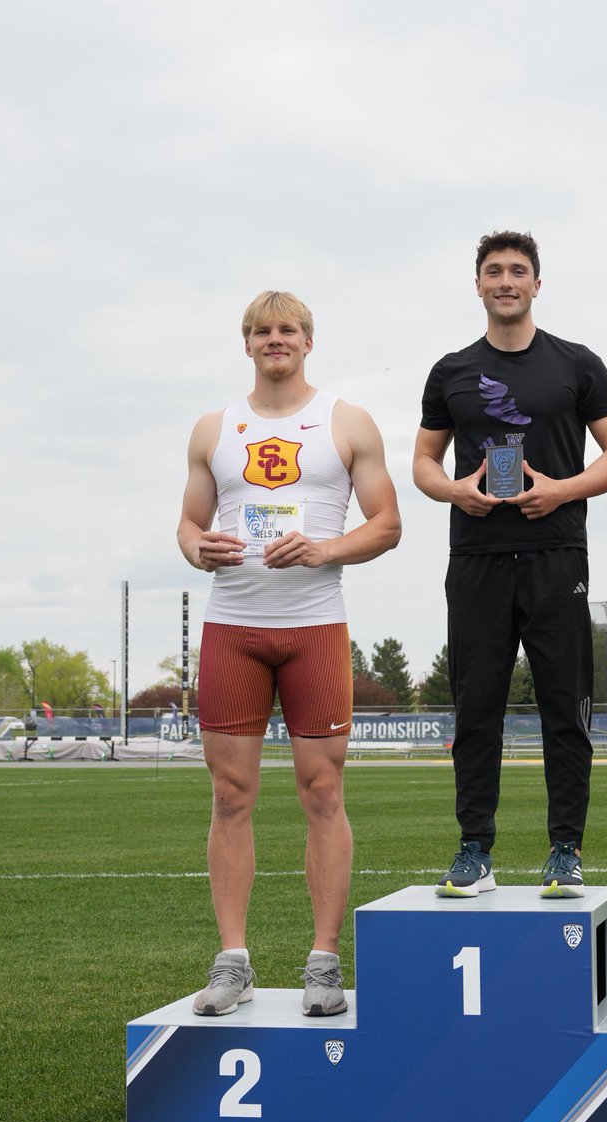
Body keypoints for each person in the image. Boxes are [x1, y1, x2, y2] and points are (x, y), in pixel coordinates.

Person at [178, 290, 401, 1017]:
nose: (276, 340)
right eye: (262, 331)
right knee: (231, 795)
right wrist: (196, 547)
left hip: (314, 627)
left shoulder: (347, 421)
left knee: (322, 792)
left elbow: (388, 524)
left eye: (289, 330)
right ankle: (233, 961)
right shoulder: (215, 427)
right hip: (232, 628)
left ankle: (324, 962)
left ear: (309, 341)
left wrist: (326, 547)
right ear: (246, 344)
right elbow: (187, 521)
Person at [414, 231, 607, 899]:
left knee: (563, 707)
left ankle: (565, 849)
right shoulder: (450, 370)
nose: (506, 281)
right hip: (476, 556)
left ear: (537, 284)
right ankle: (474, 849)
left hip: (555, 553)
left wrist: (560, 491)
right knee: (475, 706)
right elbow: (423, 463)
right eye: (493, 271)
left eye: (518, 271)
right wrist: (455, 491)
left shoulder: (577, 363)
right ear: (477, 285)